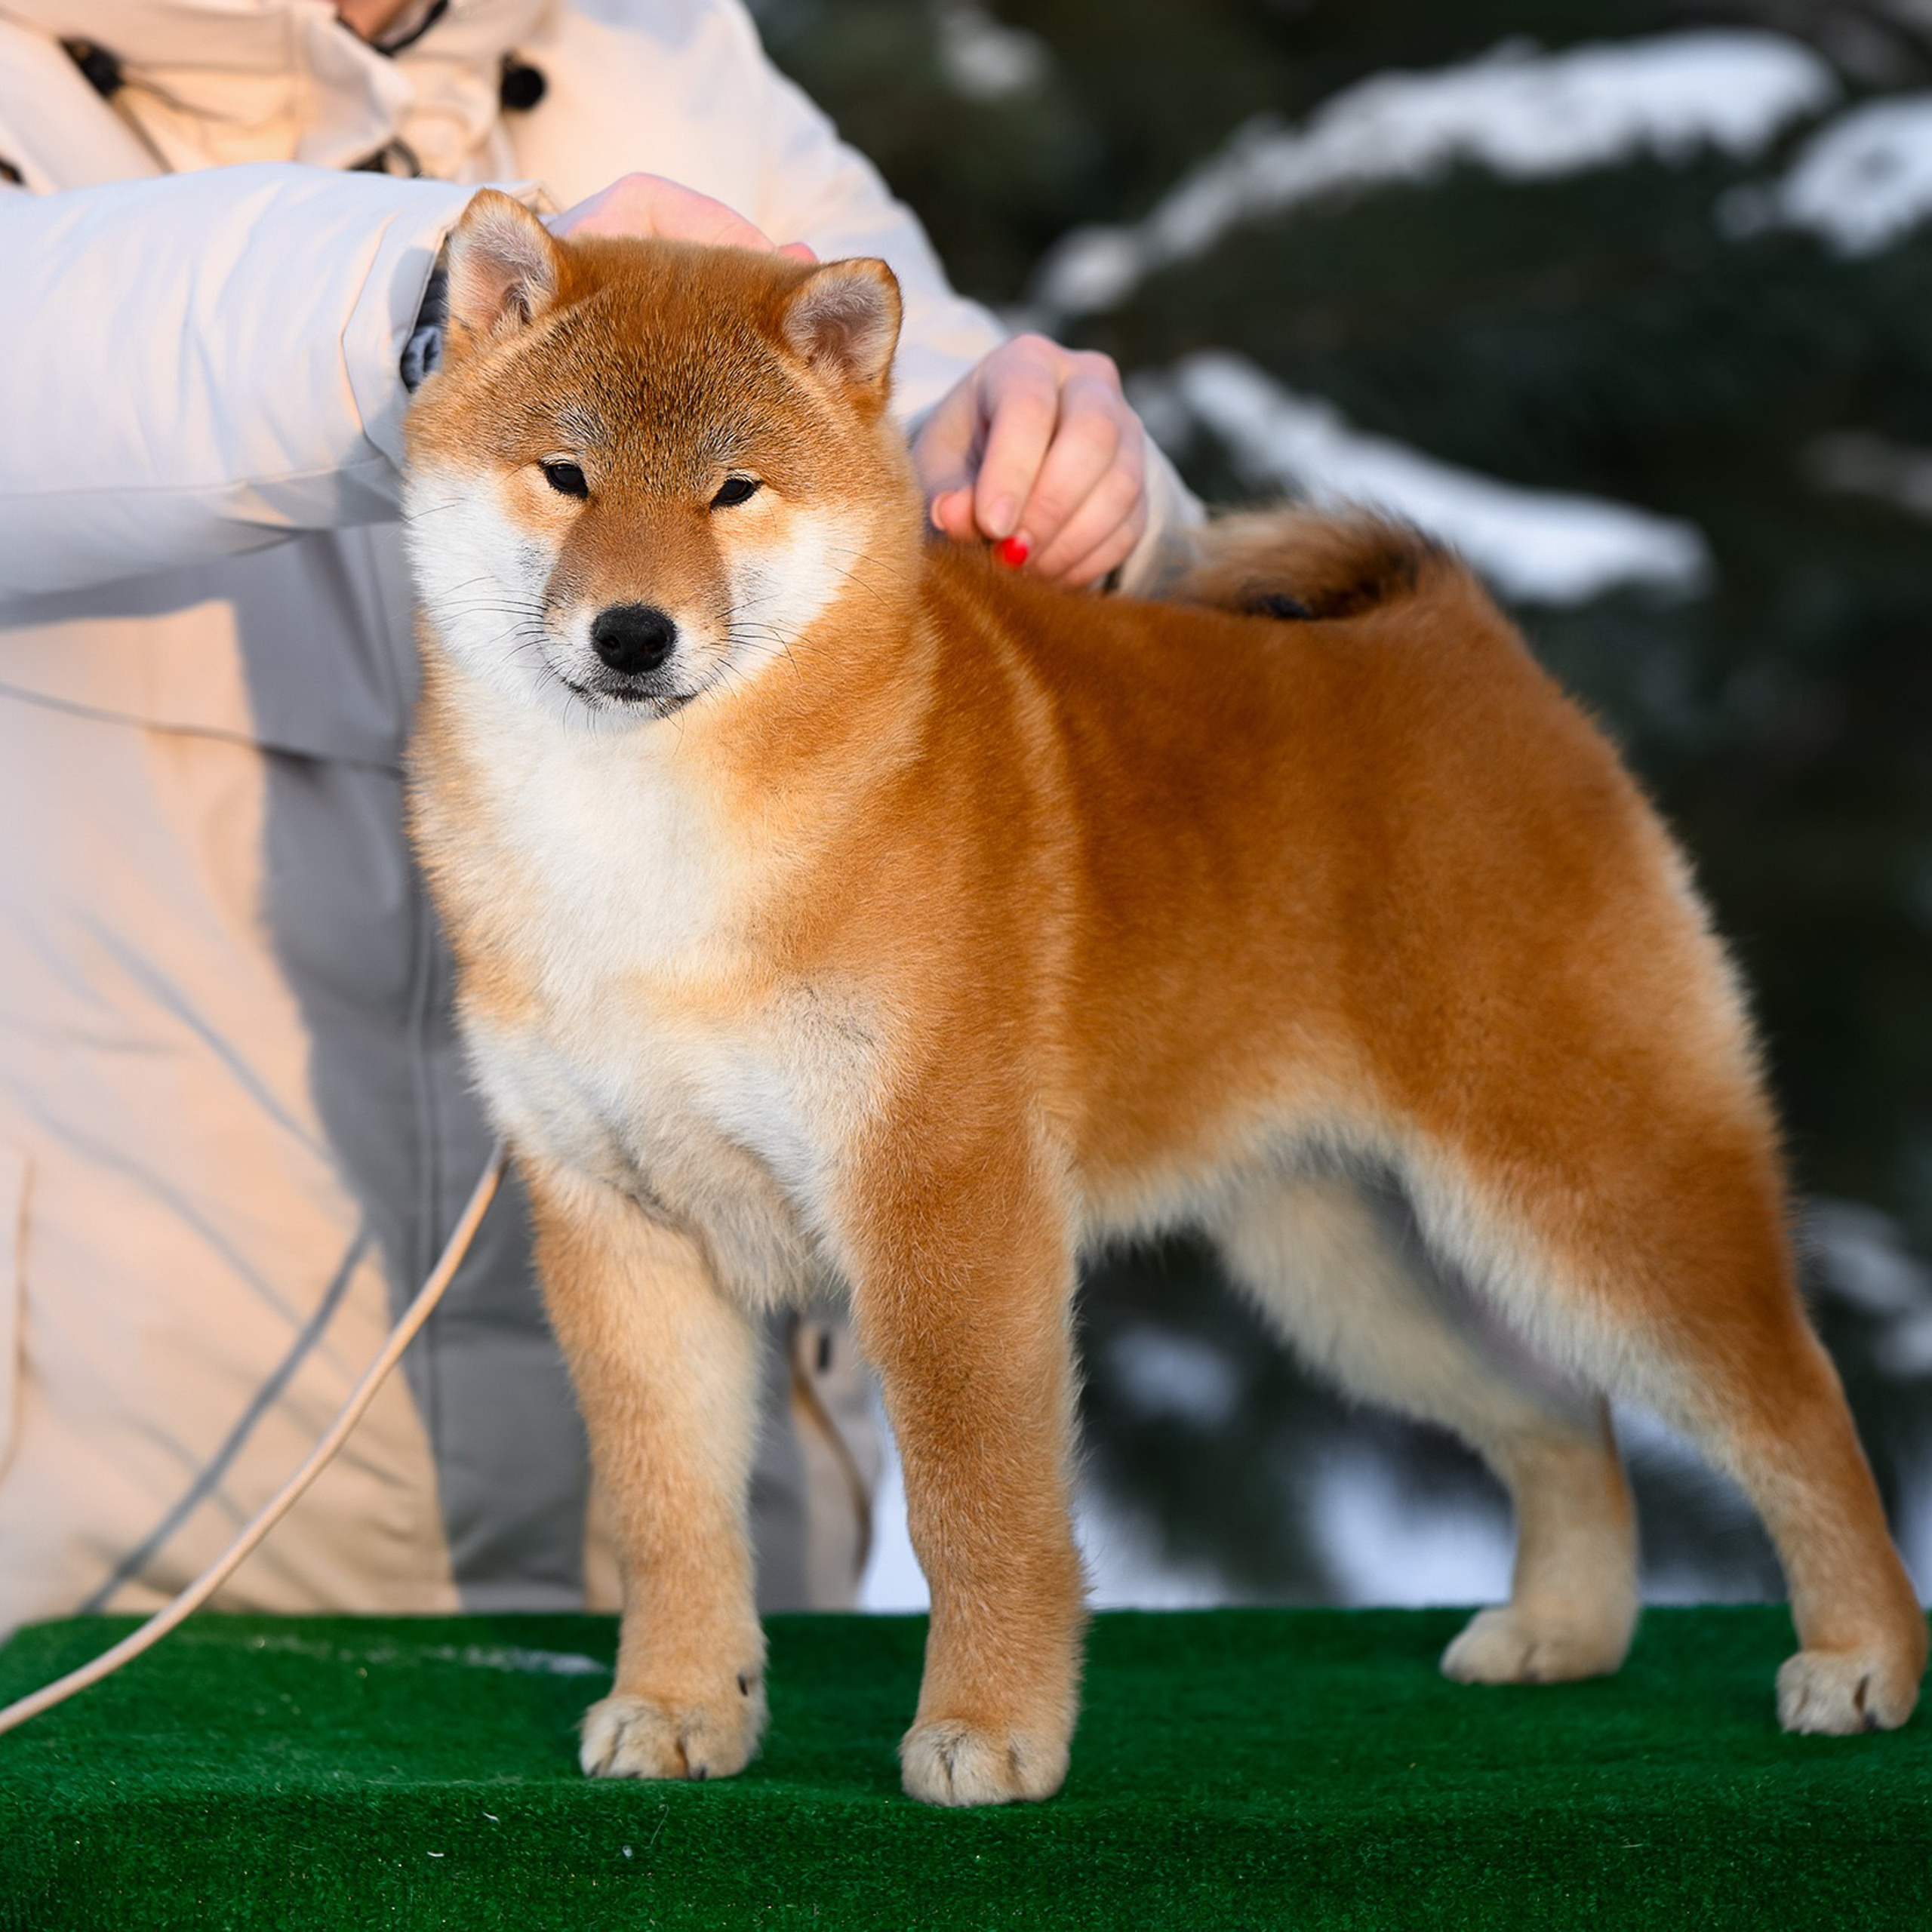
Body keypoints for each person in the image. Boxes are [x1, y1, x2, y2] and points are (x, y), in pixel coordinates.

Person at [0, 0, 1196, 1630]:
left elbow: (914, 391)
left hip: (736, 1539)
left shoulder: (653, 50)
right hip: (142, 1523)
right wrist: (422, 316)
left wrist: (1080, 489)